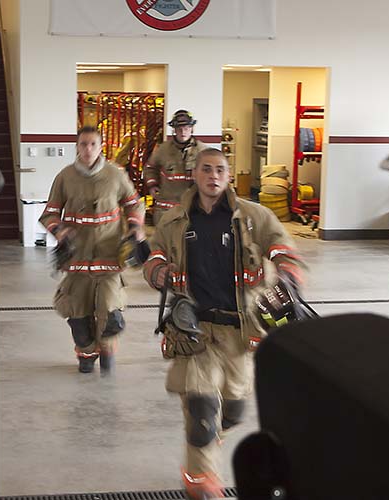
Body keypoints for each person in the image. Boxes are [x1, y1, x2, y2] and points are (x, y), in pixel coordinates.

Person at [142, 148, 305, 499]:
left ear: (229, 175)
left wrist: (288, 278)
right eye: (205, 170)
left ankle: (213, 437)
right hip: (196, 331)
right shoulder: (173, 221)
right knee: (202, 409)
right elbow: (154, 256)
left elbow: (282, 247)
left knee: (233, 408)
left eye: (219, 170)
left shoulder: (254, 216)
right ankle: (201, 481)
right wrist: (158, 272)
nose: (212, 176)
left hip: (241, 332)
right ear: (195, 175)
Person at [40, 126, 146, 375]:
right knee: (78, 317)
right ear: (77, 147)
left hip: (109, 257)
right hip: (76, 260)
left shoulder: (115, 175)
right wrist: (59, 231)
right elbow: (50, 213)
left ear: (101, 147)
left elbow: (134, 205)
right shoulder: (65, 177)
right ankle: (86, 354)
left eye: (92, 144)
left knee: (110, 315)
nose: (87, 149)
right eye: (83, 144)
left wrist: (135, 228)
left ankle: (107, 351)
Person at [144, 110, 210, 224]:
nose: (183, 132)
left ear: (192, 129)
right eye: (179, 129)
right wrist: (152, 185)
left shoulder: (202, 151)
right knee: (165, 240)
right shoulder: (163, 150)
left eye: (186, 128)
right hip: (166, 209)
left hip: (193, 208)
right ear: (174, 130)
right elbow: (150, 168)